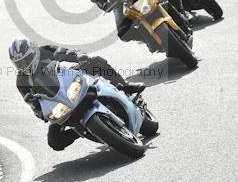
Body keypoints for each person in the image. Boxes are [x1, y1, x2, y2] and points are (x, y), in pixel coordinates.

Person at [9, 37, 145, 151]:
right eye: (19, 63)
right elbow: (33, 106)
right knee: (54, 142)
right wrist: (39, 112)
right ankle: (81, 130)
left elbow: (63, 51)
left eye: (26, 60)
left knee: (96, 62)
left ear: (34, 52)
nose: (24, 65)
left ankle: (125, 87)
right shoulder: (21, 82)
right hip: (59, 105)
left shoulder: (44, 51)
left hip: (70, 83)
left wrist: (78, 56)